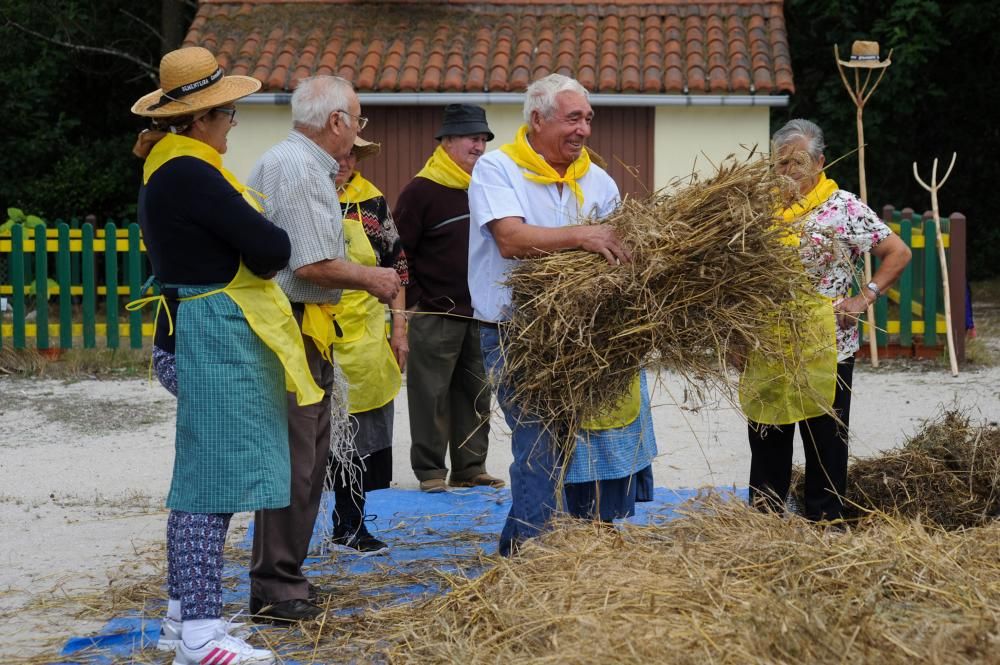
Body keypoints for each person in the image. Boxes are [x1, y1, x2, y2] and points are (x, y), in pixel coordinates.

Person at [132, 46, 321, 665]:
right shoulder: (193, 173)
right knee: (207, 489)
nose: (232, 123)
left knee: (202, 480)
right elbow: (270, 248)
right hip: (210, 335)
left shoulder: (170, 165)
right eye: (229, 113)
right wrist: (263, 241)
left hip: (190, 331)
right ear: (201, 120)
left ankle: (182, 616)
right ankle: (201, 637)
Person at [468, 74, 658, 556]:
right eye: (573, 118)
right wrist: (583, 236)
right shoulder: (497, 169)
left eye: (588, 120)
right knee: (538, 447)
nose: (584, 130)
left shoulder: (597, 180)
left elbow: (617, 252)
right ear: (537, 119)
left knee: (580, 445)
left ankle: (573, 547)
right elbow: (510, 239)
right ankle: (527, 556)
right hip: (515, 331)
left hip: (583, 334)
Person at [246, 76, 401, 622]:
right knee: (298, 461)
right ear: (337, 121)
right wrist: (373, 278)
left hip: (301, 326)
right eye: (357, 120)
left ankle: (283, 578)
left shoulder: (301, 165)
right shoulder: (299, 169)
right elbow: (311, 265)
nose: (358, 132)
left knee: (306, 458)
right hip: (291, 326)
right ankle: (278, 585)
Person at [738, 118, 912, 522]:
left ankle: (825, 520)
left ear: (819, 162)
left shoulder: (843, 207)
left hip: (828, 342)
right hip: (768, 341)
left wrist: (864, 297)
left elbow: (898, 252)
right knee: (767, 435)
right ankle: (763, 521)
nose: (788, 173)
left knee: (825, 440)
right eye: (780, 164)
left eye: (797, 163)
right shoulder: (758, 210)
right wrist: (737, 338)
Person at [395, 104, 504, 493]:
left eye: (483, 139)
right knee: (431, 396)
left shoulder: (486, 186)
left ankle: (470, 467)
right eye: (472, 138)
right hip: (436, 312)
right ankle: (430, 472)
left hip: (480, 312)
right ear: (446, 141)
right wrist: (416, 305)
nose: (479, 145)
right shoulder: (420, 190)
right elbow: (398, 253)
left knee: (476, 394)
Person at [326, 136, 409, 552]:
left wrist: (399, 329)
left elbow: (397, 270)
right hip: (317, 331)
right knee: (318, 437)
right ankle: (298, 532)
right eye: (336, 153)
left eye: (350, 154)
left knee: (360, 439)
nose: (343, 161)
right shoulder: (305, 197)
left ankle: (352, 524)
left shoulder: (372, 203)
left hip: (366, 338)